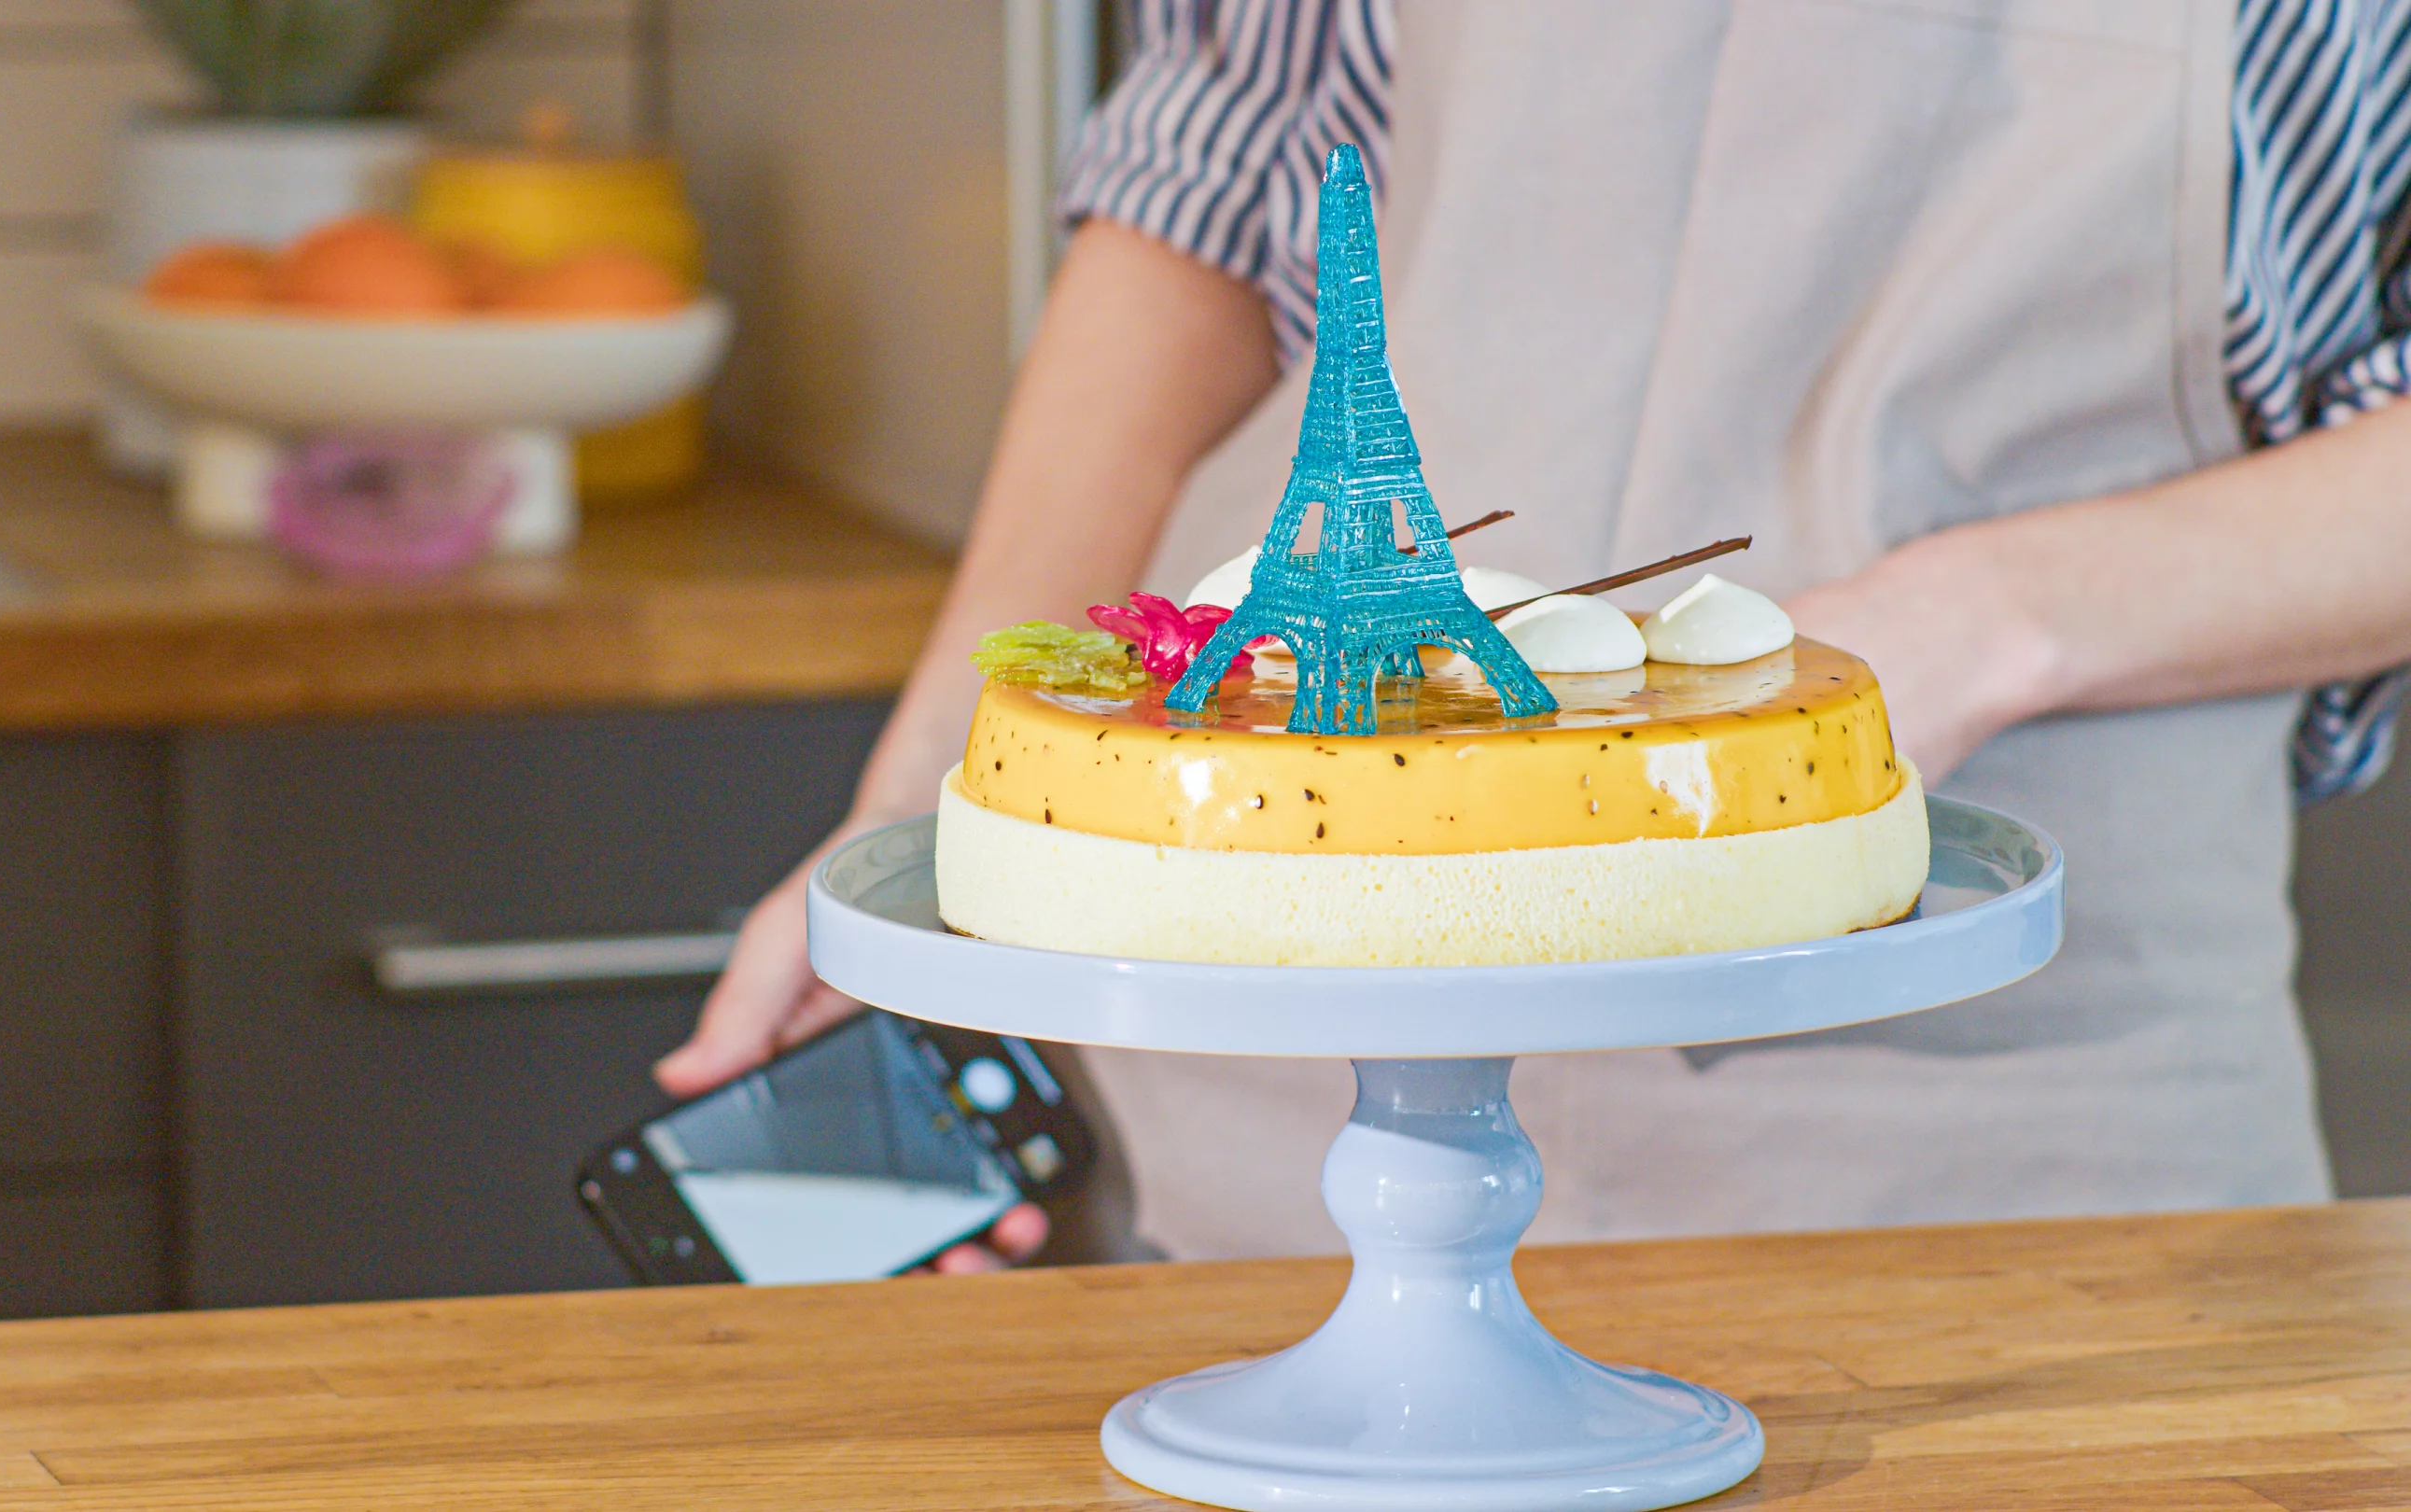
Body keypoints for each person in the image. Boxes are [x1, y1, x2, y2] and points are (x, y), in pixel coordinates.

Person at [660, 0, 2411, 1267]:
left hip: (1994, 1101)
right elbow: (1213, 188)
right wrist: (938, 817)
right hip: (1279, 1058)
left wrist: (1982, 623)